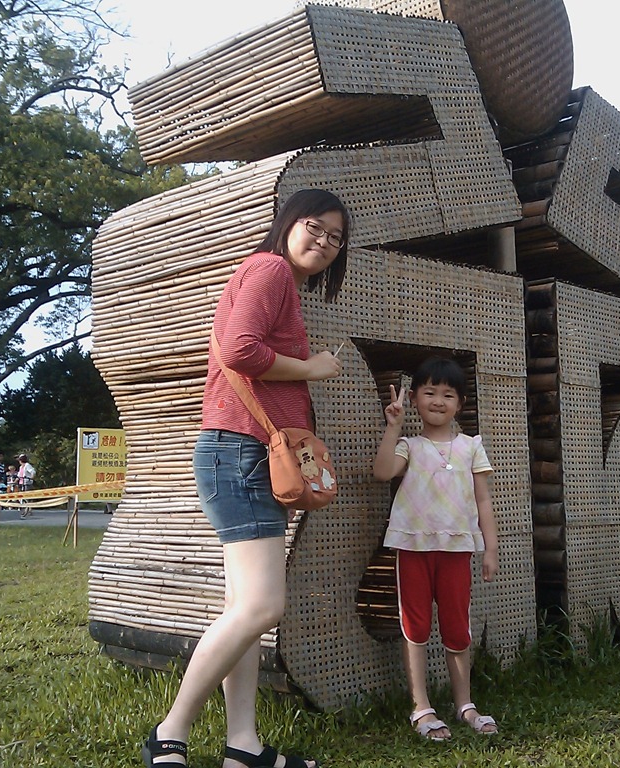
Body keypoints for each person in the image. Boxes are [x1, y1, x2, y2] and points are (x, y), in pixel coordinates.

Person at [140, 189, 350, 768]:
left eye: (336, 238)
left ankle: (244, 747)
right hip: (241, 452)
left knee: (245, 609)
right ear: (288, 223)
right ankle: (170, 732)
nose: (324, 242)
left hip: (242, 452)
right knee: (261, 606)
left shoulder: (277, 281)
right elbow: (239, 350)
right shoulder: (270, 269)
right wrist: (310, 368)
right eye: (315, 227)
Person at [373, 356, 500, 741]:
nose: (438, 401)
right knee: (415, 626)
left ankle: (465, 704)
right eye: (429, 392)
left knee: (457, 626)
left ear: (460, 403)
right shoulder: (409, 446)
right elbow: (382, 472)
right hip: (413, 547)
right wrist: (393, 427)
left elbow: (483, 500)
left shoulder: (470, 447)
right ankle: (421, 707)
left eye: (448, 394)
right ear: (414, 398)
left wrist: (490, 548)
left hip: (457, 550)